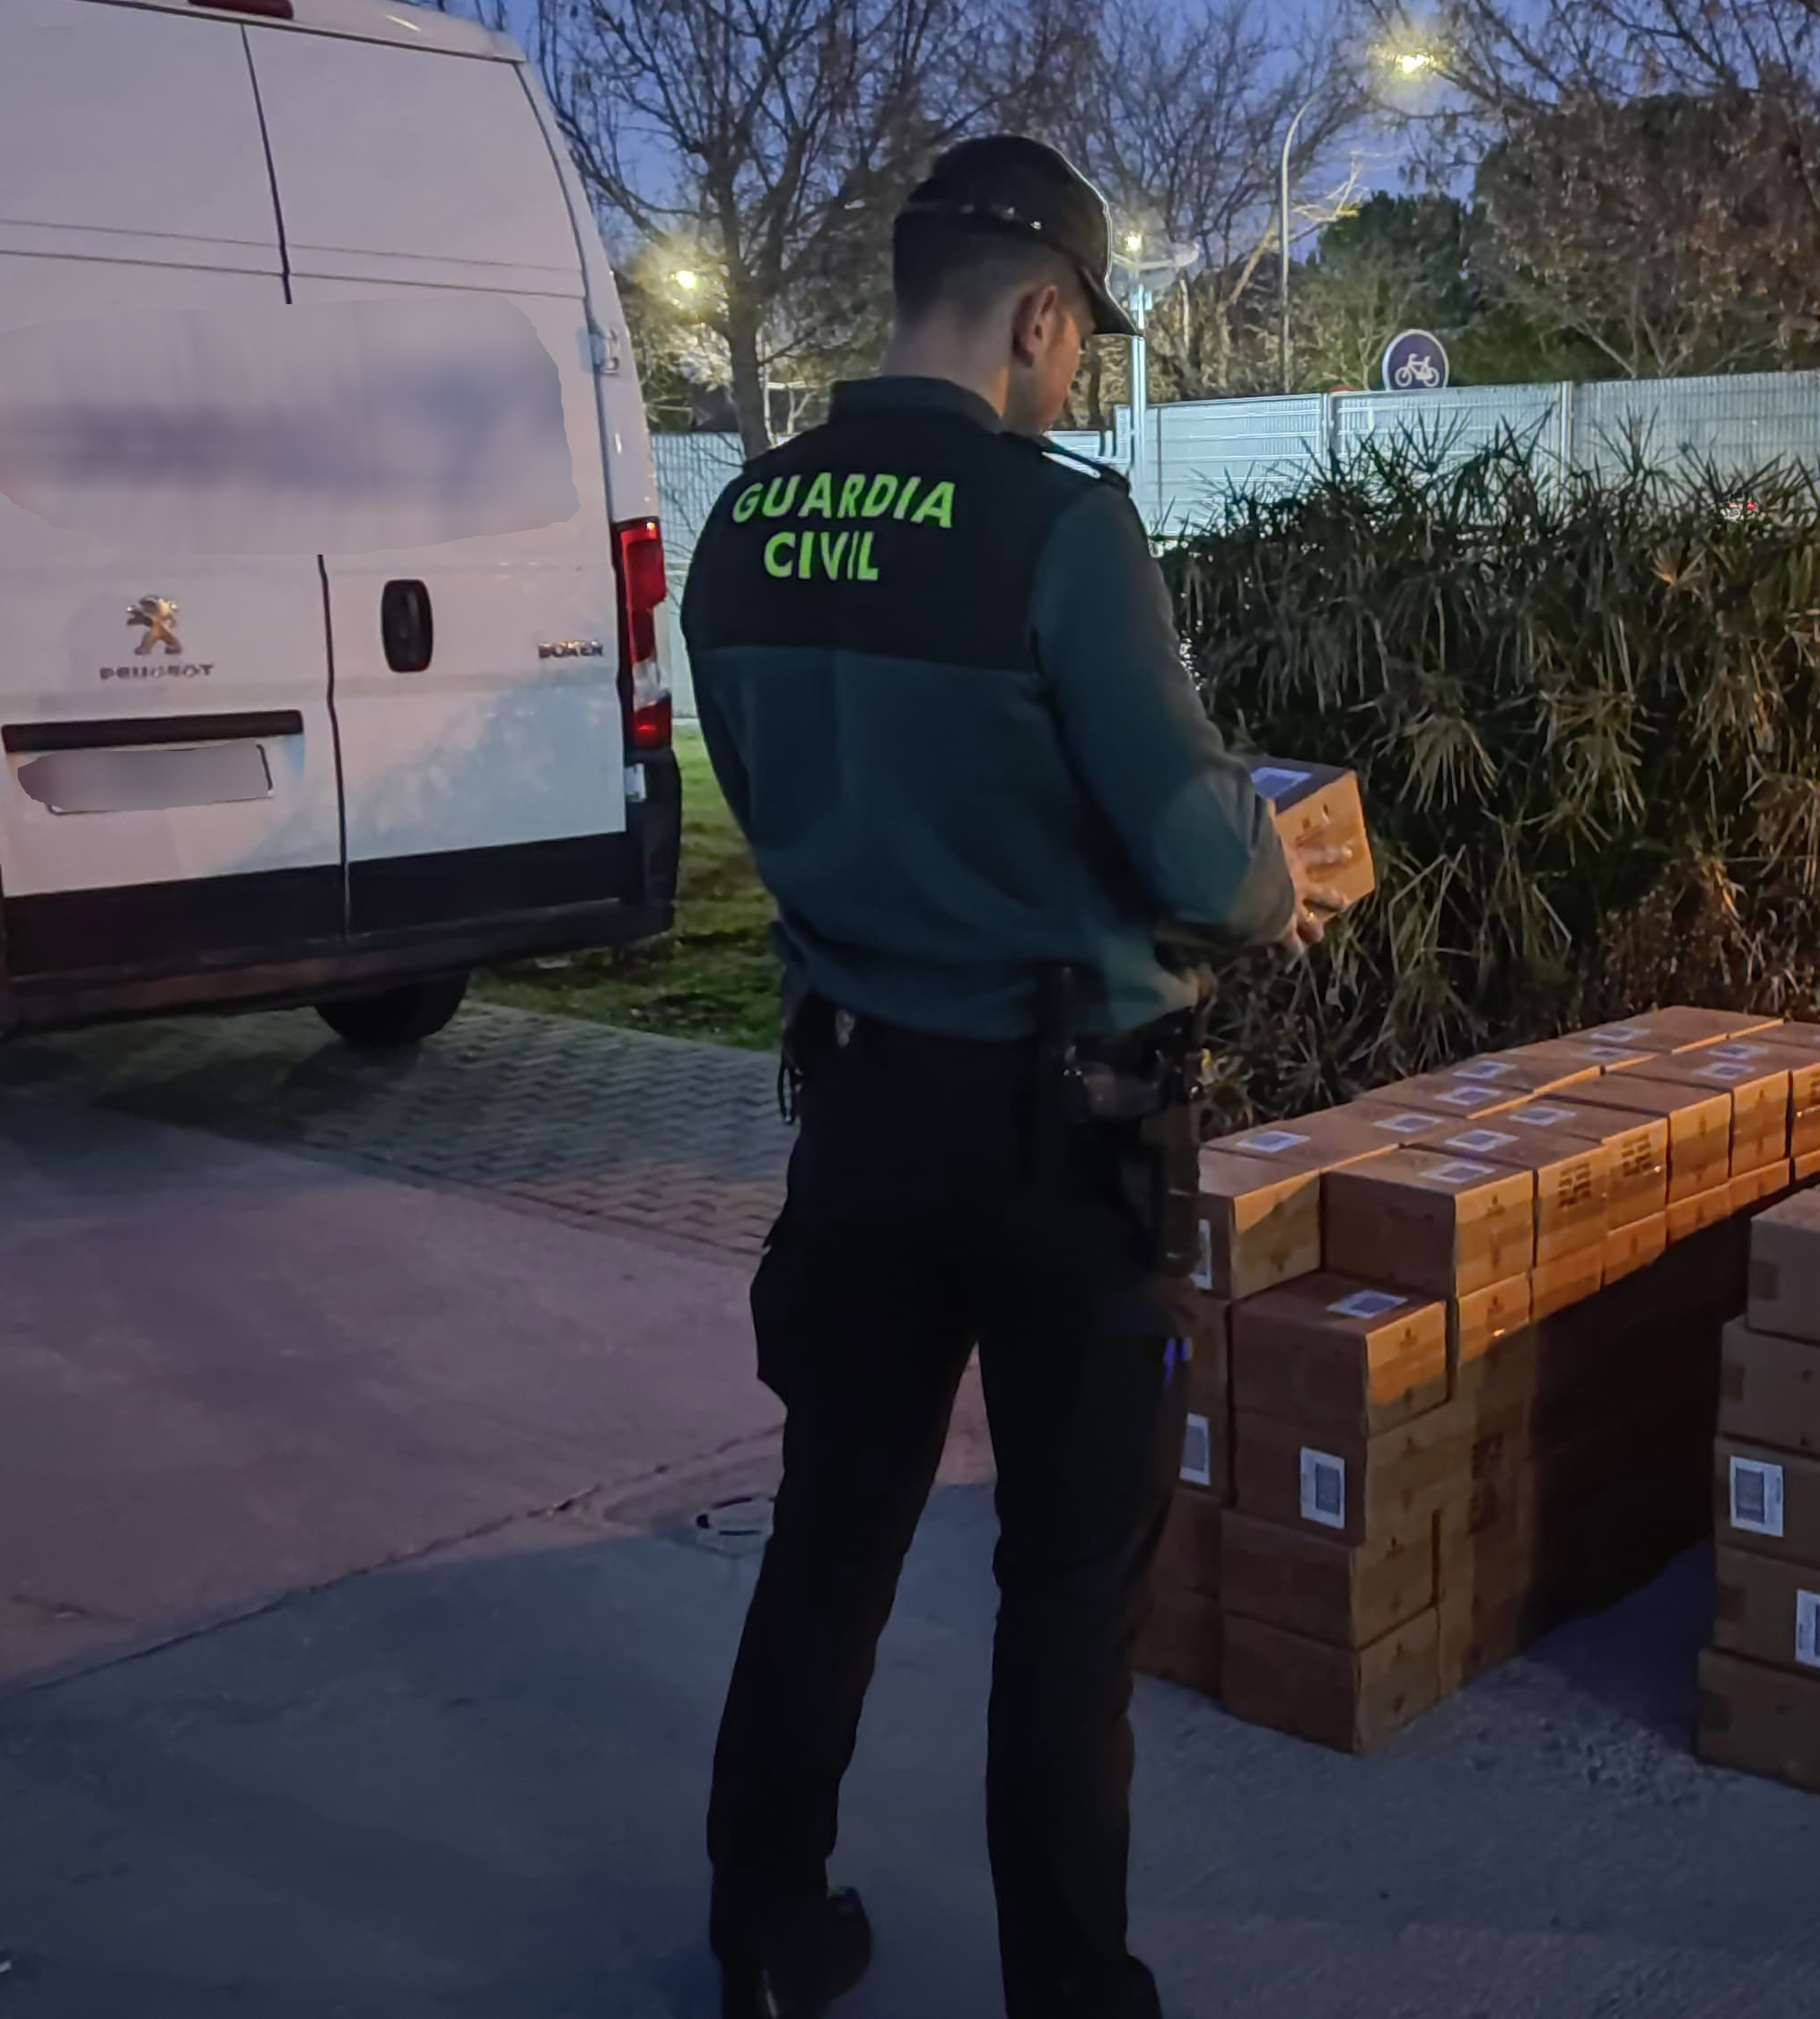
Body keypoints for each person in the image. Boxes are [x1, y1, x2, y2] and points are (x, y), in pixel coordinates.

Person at [680, 134, 1348, 2019]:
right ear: (1038, 316)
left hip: (859, 1117)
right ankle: (1065, 1994)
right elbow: (1205, 859)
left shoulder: (741, 526)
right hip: (1064, 1145)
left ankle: (762, 1938)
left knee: (831, 1532)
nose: (1074, 380)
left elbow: (790, 802)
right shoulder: (1058, 530)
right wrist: (1262, 872)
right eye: (1079, 345)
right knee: (1065, 1591)